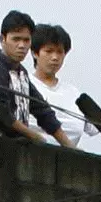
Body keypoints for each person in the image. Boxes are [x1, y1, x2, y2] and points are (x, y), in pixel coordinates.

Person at [0, 9, 63, 144]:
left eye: (26, 40)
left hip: (17, 149)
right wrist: (33, 136)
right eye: (16, 39)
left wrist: (69, 145)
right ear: (2, 39)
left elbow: (42, 110)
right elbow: (0, 113)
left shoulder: (21, 72)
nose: (22, 45)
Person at [26, 22, 88, 150]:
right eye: (48, 51)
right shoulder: (22, 83)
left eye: (60, 52)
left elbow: (98, 127)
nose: (55, 57)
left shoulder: (74, 94)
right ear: (34, 53)